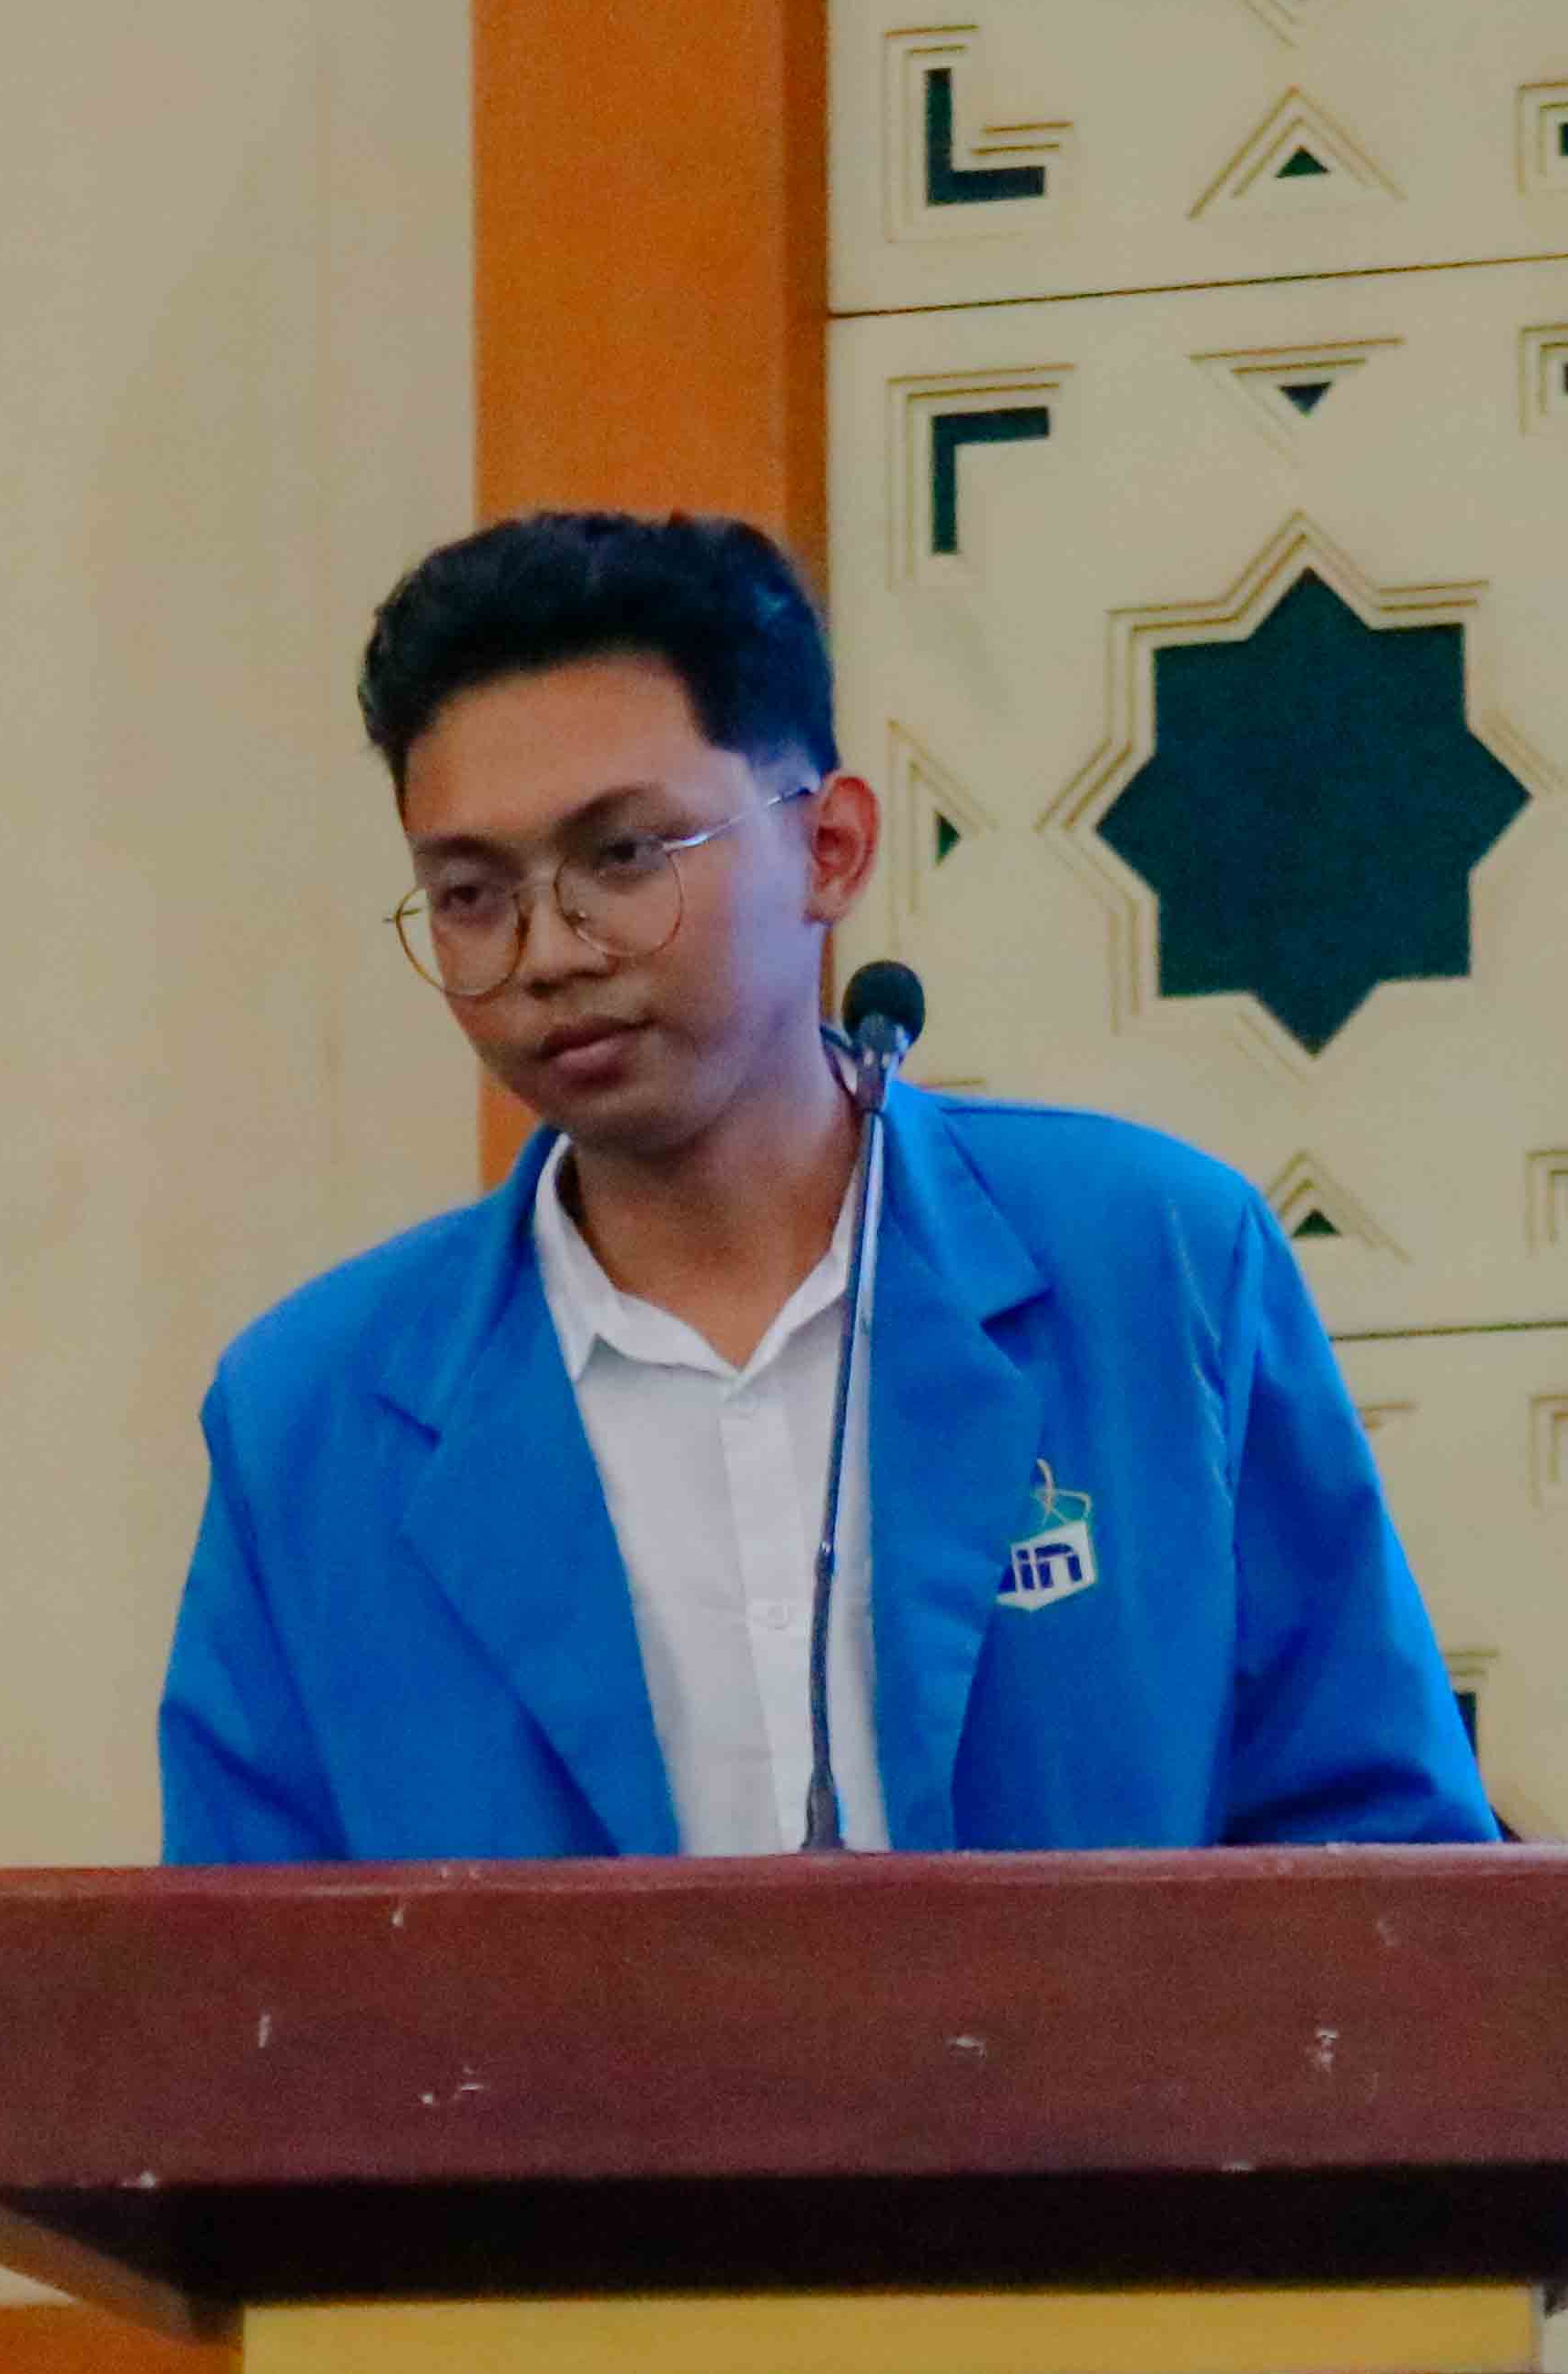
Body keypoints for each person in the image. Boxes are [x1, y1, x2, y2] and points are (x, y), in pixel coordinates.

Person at [159, 510, 1496, 1861]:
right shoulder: (313, 1416)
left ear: (832, 848)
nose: (548, 951)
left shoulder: (1156, 1265)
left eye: (623, 857)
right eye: (469, 893)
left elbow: (1386, 1860)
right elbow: (247, 1964)